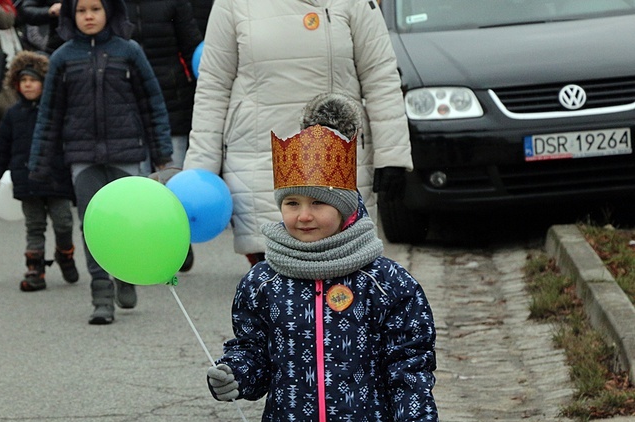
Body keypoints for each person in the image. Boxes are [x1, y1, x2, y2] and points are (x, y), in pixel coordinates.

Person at [206, 94, 439, 422]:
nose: (303, 215)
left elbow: (410, 365)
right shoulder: (265, 282)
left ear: (346, 207)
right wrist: (236, 372)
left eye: (318, 203)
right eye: (292, 203)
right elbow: (255, 351)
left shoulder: (384, 283)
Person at [183, 0, 412, 267]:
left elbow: (380, 76)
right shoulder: (233, 4)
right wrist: (201, 172)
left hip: (338, 161)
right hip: (259, 161)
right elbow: (213, 85)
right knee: (276, 290)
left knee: (345, 285)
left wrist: (392, 154)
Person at [28, 0, 175, 325]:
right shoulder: (63, 57)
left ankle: (125, 275)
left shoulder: (129, 51)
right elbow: (49, 114)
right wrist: (39, 160)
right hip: (82, 158)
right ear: (71, 15)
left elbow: (152, 103)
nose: (89, 16)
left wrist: (162, 153)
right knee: (92, 226)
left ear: (110, 11)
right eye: (81, 10)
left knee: (128, 221)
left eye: (95, 8)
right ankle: (101, 295)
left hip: (127, 155)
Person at [0, 50, 78, 292]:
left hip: (57, 178)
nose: (28, 85)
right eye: (23, 81)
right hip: (27, 181)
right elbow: (1, 146)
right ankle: (35, 269)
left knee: (64, 222)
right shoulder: (13, 114)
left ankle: (65, 254)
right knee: (34, 226)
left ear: (46, 83)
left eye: (33, 80)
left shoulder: (58, 112)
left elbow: (73, 141)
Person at [123, 0, 203, 271]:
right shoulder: (111, 5)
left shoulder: (174, 2)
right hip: (126, 98)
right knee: (138, 180)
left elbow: (192, 46)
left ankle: (178, 240)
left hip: (171, 98)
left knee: (171, 178)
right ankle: (145, 243)